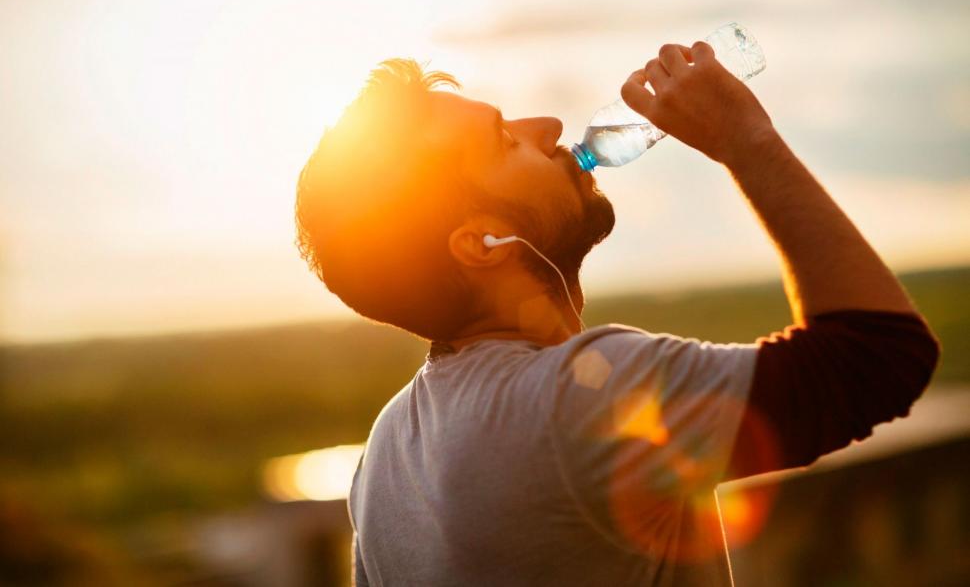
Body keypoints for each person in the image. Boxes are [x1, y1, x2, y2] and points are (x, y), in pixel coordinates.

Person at [294, 43, 940, 586]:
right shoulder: (576, 396)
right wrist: (748, 142)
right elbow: (876, 357)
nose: (546, 125)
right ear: (479, 243)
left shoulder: (384, 456)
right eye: (503, 139)